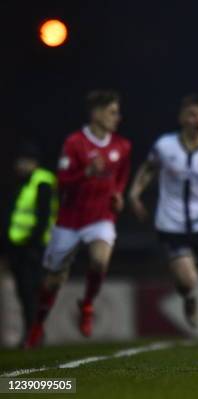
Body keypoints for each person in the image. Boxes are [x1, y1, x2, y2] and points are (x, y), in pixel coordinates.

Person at [24, 90, 131, 348]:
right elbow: (62, 183)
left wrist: (118, 195)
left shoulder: (122, 146)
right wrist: (86, 173)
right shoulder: (75, 143)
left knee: (99, 260)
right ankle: (38, 324)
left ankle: (87, 304)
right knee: (52, 281)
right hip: (69, 222)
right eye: (112, 112)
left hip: (100, 217)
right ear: (96, 113)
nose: (117, 117)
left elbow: (121, 176)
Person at [129, 94, 198, 332]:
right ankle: (189, 298)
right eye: (193, 114)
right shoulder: (165, 146)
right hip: (171, 224)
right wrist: (134, 194)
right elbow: (148, 169)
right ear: (182, 117)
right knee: (188, 281)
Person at [4, 143, 58, 345]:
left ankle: (33, 333)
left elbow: (43, 216)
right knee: (24, 291)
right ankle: (32, 332)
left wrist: (33, 243)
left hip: (34, 247)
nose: (19, 165)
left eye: (23, 161)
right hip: (18, 246)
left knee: (30, 290)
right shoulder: (21, 182)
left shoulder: (42, 181)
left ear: (33, 162)